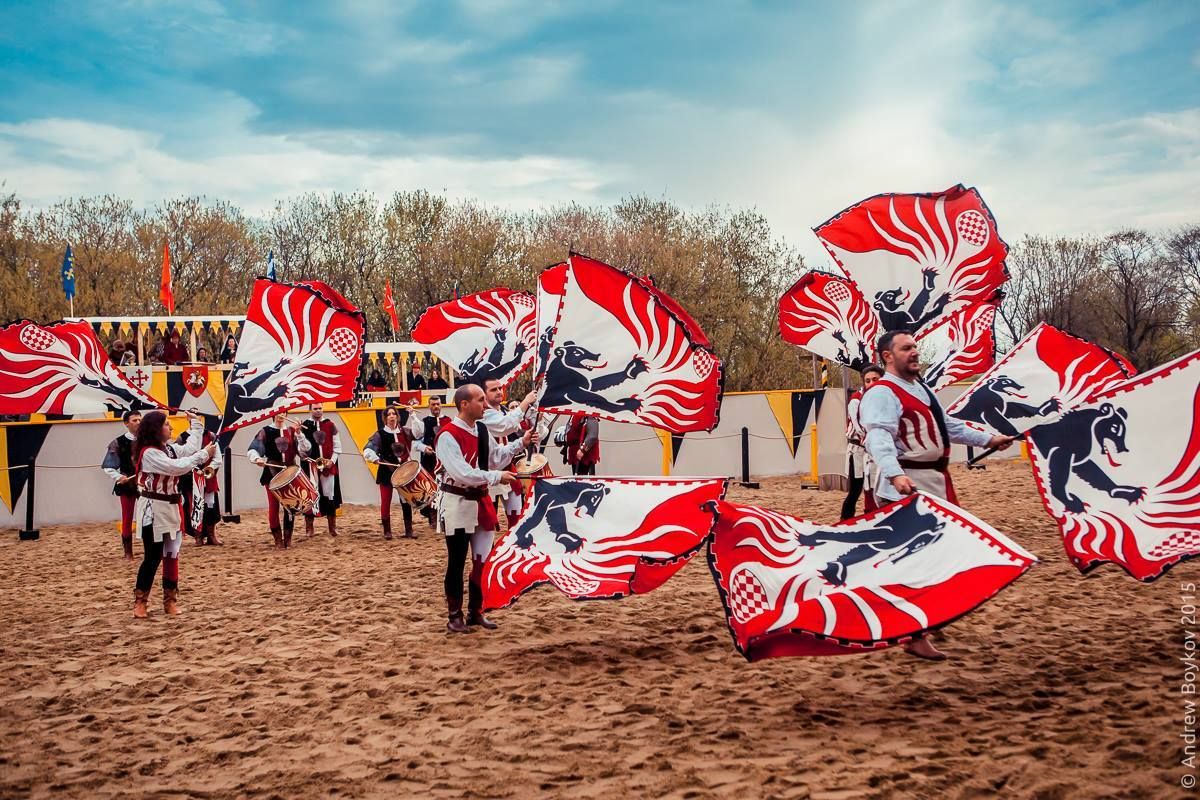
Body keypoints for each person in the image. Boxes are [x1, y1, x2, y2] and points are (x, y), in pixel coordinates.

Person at [860, 330, 1014, 660]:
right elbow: (879, 439)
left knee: (941, 554)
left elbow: (949, 426)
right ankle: (915, 633)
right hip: (907, 483)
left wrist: (989, 440)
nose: (915, 352)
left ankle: (927, 616)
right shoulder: (882, 393)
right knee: (917, 560)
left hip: (934, 480)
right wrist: (896, 475)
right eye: (906, 348)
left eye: (915, 346)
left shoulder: (921, 388)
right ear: (888, 356)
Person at [435, 383, 532, 633]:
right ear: (464, 404)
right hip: (458, 502)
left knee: (482, 561)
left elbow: (496, 456)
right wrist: (496, 477)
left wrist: (521, 442)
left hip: (480, 500)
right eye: (480, 400)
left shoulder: (480, 429)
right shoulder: (447, 435)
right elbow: (463, 473)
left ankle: (475, 611)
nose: (485, 404)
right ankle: (454, 615)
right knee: (456, 561)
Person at [131, 411, 217, 618]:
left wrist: (195, 423)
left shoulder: (167, 449)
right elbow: (176, 467)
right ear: (155, 429)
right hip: (154, 508)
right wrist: (204, 454)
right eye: (166, 424)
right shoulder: (149, 453)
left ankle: (170, 601)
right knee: (152, 557)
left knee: (171, 555)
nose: (170, 428)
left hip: (171, 508)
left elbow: (188, 450)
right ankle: (140, 602)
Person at [247, 412, 311, 548]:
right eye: (278, 412)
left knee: (290, 506)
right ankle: (278, 540)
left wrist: (299, 434)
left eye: (283, 412)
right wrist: (256, 458)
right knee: (273, 506)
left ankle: (288, 539)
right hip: (272, 473)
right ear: (273, 414)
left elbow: (305, 451)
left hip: (290, 473)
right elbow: (254, 448)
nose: (281, 415)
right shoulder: (266, 431)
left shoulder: (292, 431)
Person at [480, 379, 538, 527]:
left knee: (517, 517)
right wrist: (525, 402)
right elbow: (505, 425)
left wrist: (528, 437)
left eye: (500, 388)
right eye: (493, 389)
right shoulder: (483, 415)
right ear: (484, 395)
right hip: (487, 472)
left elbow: (515, 430)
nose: (499, 391)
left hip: (507, 466)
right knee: (488, 522)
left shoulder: (505, 412)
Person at [363, 405, 422, 539]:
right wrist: (374, 458)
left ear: (397, 416)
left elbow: (419, 433)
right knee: (386, 501)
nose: (391, 416)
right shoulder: (380, 434)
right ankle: (387, 531)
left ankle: (409, 530)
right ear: (385, 418)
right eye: (389, 414)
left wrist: (413, 415)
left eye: (394, 414)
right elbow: (368, 450)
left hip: (404, 472)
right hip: (386, 472)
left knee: (406, 500)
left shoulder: (405, 432)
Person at [840, 365, 884, 520]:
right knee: (856, 489)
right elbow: (860, 427)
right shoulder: (857, 400)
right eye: (868, 380)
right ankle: (845, 521)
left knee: (874, 487)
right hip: (859, 450)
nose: (871, 383)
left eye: (875, 380)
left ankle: (873, 517)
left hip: (874, 449)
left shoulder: (883, 397)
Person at [101, 410, 141, 559]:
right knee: (127, 517)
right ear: (126, 423)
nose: (138, 423)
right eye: (134, 420)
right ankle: (128, 552)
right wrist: (118, 477)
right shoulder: (118, 442)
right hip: (128, 485)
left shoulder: (148, 440)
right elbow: (108, 466)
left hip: (146, 484)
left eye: (139, 420)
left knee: (150, 516)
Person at [299, 405, 341, 538]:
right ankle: (309, 527)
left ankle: (332, 527)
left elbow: (337, 446)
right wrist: (299, 434)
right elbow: (302, 450)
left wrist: (332, 461)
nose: (318, 410)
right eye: (315, 408)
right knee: (309, 496)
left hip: (328, 465)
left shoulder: (330, 425)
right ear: (310, 409)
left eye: (320, 408)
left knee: (330, 495)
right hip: (310, 466)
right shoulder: (304, 426)